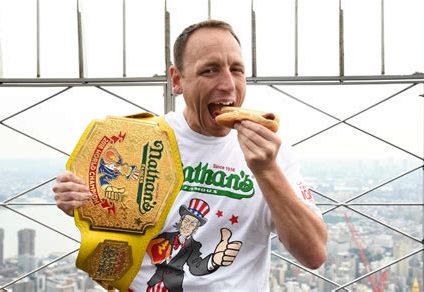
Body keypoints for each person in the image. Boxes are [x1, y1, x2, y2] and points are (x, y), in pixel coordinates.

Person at [53, 19, 327, 291]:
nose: (228, 85)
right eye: (210, 70)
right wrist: (79, 200)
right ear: (177, 80)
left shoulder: (272, 153)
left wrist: (267, 171)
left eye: (237, 70)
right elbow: (109, 225)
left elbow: (313, 254)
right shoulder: (141, 143)